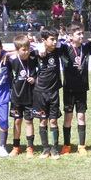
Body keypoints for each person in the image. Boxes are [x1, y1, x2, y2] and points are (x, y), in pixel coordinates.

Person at [60, 23, 91, 155]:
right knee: (68, 118)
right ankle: (67, 145)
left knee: (81, 117)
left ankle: (81, 146)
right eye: (78, 34)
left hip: (82, 89)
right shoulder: (64, 48)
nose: (82, 36)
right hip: (68, 89)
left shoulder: (86, 48)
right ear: (71, 36)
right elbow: (53, 47)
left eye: (82, 33)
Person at [34, 28, 67, 159]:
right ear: (44, 40)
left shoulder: (58, 50)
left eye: (55, 39)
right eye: (51, 39)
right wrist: (40, 46)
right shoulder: (36, 52)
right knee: (42, 121)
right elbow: (22, 48)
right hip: (40, 92)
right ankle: (45, 148)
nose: (54, 42)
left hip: (54, 92)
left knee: (53, 121)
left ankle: (54, 149)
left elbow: (65, 43)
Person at [8, 35, 38, 157]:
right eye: (23, 49)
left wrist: (34, 78)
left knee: (29, 121)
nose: (26, 52)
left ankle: (30, 148)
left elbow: (38, 71)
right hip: (16, 97)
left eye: (28, 49)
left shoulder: (33, 57)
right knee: (17, 121)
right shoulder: (12, 61)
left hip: (30, 96)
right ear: (17, 50)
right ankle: (16, 147)